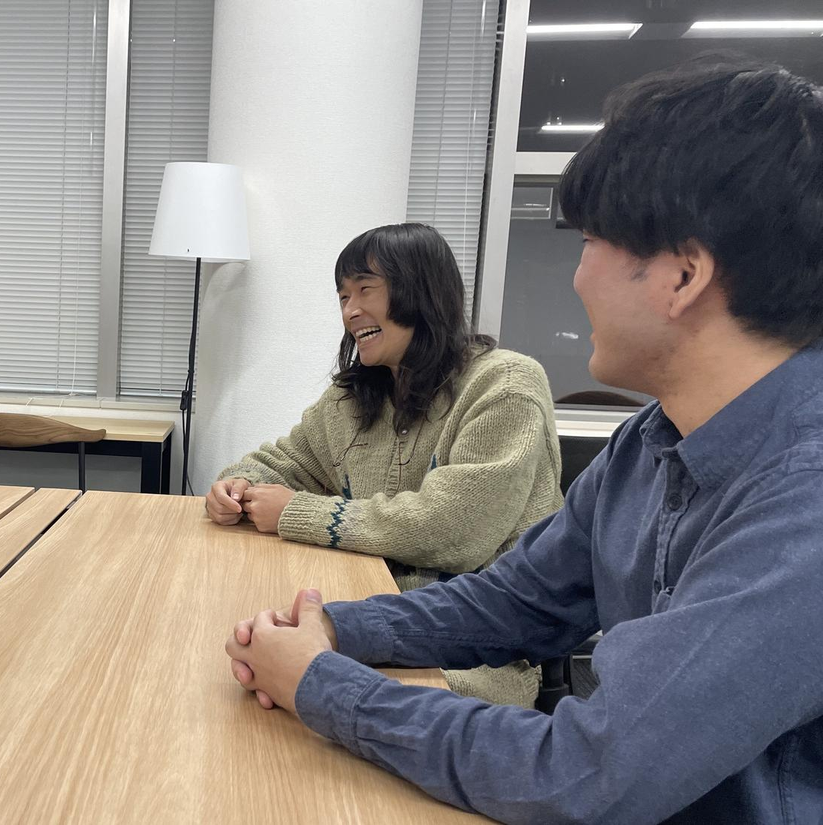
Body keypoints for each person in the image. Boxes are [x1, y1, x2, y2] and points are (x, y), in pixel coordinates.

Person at [224, 55, 823, 824]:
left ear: (683, 276)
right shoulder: (650, 440)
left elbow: (585, 775)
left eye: (591, 242)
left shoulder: (802, 505)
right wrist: (339, 627)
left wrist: (320, 682)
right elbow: (518, 600)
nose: (576, 278)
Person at [206, 222, 561, 707]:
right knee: (244, 661)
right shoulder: (354, 397)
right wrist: (237, 484)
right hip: (366, 618)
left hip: (477, 653)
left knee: (291, 692)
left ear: (420, 289)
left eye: (365, 290)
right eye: (343, 296)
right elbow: (284, 462)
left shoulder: (506, 385)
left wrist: (297, 512)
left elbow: (455, 529)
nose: (350, 311)